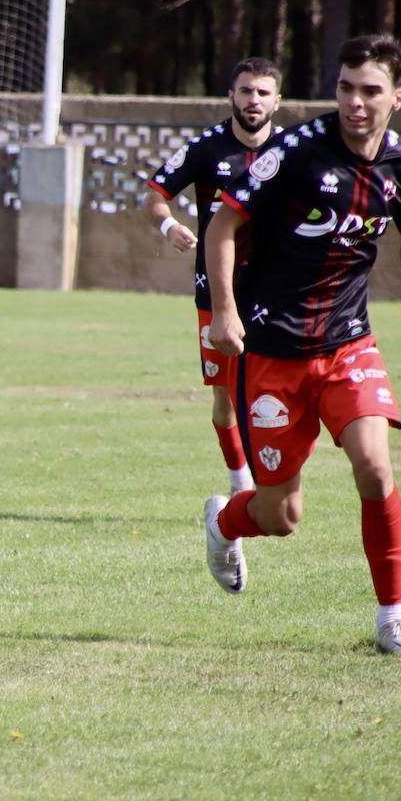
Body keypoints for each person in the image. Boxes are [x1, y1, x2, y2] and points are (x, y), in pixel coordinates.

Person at [203, 34, 401, 660]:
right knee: (280, 514)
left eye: (371, 91)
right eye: (346, 88)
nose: (355, 102)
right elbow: (223, 225)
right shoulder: (295, 154)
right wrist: (224, 312)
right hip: (272, 350)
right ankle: (225, 521)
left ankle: (391, 621)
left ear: (397, 98)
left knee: (376, 468)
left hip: (349, 343)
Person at [145, 57, 282, 497]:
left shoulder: (295, 149)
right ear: (231, 96)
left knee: (274, 387)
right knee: (225, 394)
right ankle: (240, 477)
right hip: (214, 290)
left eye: (263, 92)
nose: (253, 100)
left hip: (275, 289)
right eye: (245, 91)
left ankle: (274, 475)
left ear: (277, 100)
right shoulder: (206, 148)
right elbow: (155, 195)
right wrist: (171, 226)